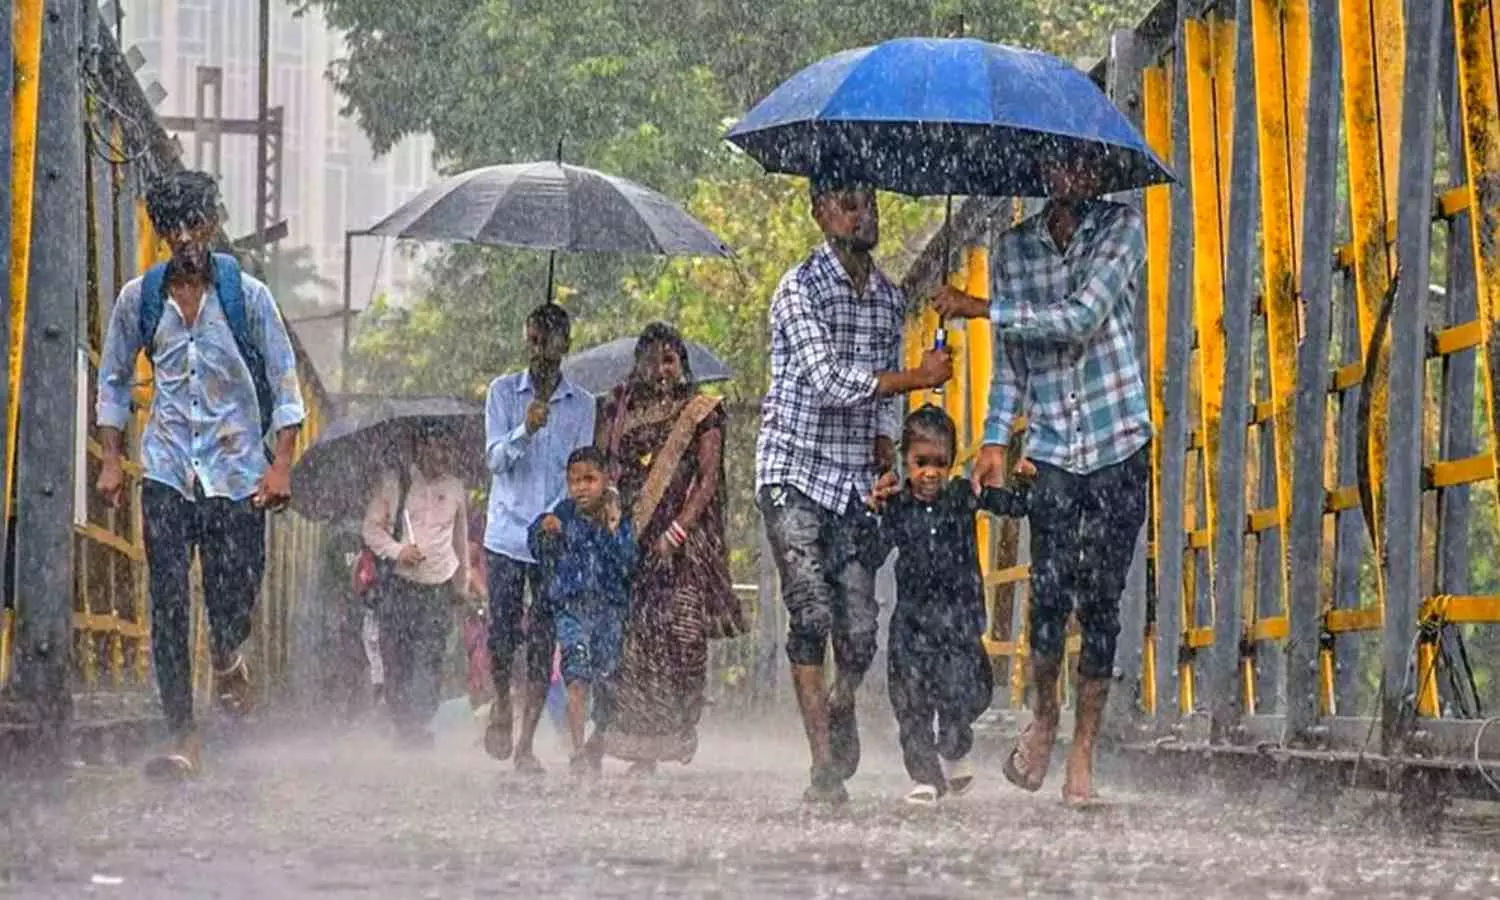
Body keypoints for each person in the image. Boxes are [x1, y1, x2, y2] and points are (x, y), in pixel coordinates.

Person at [932, 152, 1153, 806]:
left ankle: (1082, 753)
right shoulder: (1014, 249)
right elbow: (1013, 365)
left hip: (1117, 441)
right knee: (1050, 600)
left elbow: (1082, 317)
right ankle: (1046, 716)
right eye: (1062, 162)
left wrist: (981, 307)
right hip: (1052, 446)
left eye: (1086, 163)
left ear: (1102, 170)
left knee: (1103, 604)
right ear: (1043, 169)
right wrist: (996, 437)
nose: (1074, 174)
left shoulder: (1123, 229)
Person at [95, 170, 305, 778]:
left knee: (232, 595)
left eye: (195, 224)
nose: (185, 237)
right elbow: (113, 376)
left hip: (238, 472)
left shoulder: (250, 299)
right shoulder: (142, 298)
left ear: (213, 223)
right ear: (162, 233)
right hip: (166, 469)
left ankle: (228, 649)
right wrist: (111, 458)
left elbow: (287, 386)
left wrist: (282, 464)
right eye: (172, 228)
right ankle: (183, 736)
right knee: (166, 600)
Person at [756, 175, 955, 805]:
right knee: (811, 611)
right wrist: (917, 377)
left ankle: (840, 702)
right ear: (820, 213)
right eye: (849, 203)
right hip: (792, 471)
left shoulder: (889, 298)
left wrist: (886, 441)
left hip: (849, 480)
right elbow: (829, 381)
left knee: (861, 630)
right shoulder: (798, 290)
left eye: (871, 202)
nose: (865, 213)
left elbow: (883, 405)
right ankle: (823, 766)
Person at [866, 406, 1033, 805]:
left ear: (953, 461)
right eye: (920, 463)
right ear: (906, 462)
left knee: (969, 692)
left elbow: (1008, 506)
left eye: (940, 463)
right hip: (913, 625)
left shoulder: (960, 496)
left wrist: (1024, 485)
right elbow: (871, 552)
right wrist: (870, 510)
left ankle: (955, 746)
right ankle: (925, 777)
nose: (930, 473)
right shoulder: (899, 505)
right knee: (911, 704)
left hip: (959, 621)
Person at [594, 323, 741, 773]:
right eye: (651, 360)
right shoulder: (619, 409)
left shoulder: (703, 410)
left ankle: (674, 734)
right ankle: (638, 749)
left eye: (669, 359)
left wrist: (676, 532)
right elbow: (604, 468)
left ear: (682, 363)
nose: (660, 370)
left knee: (680, 639)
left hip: (683, 545)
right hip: (631, 542)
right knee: (635, 645)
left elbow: (708, 479)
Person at [482, 303, 596, 773]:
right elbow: (494, 460)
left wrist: (561, 516)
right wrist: (524, 429)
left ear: (565, 344)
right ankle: (502, 704)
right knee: (503, 634)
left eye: (548, 340)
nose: (540, 350)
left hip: (553, 539)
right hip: (508, 534)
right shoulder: (502, 393)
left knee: (543, 639)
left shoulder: (584, 404)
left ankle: (526, 743)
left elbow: (581, 471)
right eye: (533, 339)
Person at [361, 426, 472, 748]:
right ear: (420, 447)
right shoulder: (395, 483)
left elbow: (460, 540)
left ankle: (419, 722)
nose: (442, 455)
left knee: (431, 655)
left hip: (439, 586)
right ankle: (403, 724)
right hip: (400, 585)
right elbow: (371, 529)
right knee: (398, 656)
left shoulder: (455, 488)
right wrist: (399, 551)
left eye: (447, 448)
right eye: (436, 447)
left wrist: (462, 584)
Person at [528, 447, 636, 774]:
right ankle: (576, 750)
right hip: (571, 608)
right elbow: (535, 544)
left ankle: (598, 740)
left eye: (589, 479)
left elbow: (629, 561)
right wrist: (542, 529)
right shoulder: (562, 513)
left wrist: (614, 529)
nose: (581, 487)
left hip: (609, 612)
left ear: (606, 480)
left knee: (607, 678)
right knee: (575, 674)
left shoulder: (617, 518)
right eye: (574, 480)